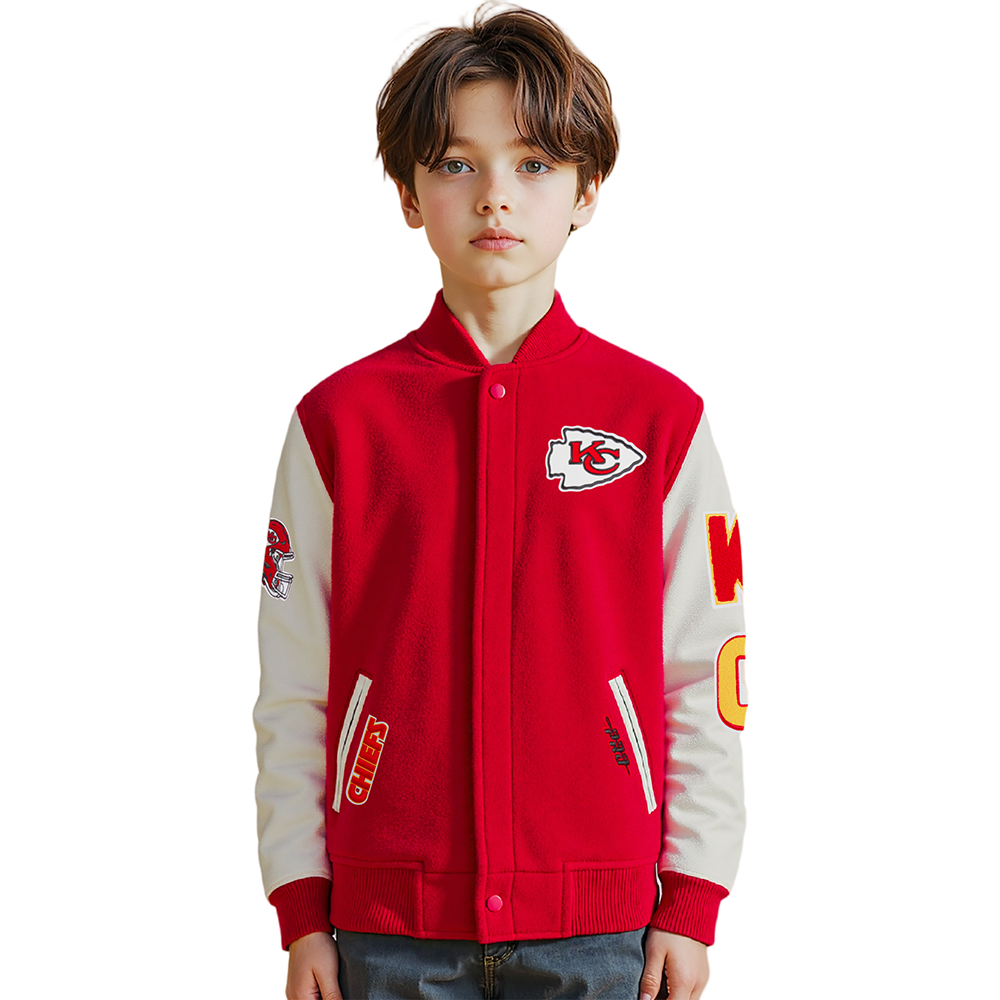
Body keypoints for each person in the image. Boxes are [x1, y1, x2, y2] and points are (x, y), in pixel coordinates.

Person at [254, 5, 747, 998]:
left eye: (533, 164)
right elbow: (295, 680)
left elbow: (709, 671)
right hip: (387, 928)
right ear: (408, 193)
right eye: (455, 164)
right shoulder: (339, 422)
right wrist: (301, 906)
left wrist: (692, 897)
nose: (494, 197)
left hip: (603, 929)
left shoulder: (661, 419)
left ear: (586, 190)